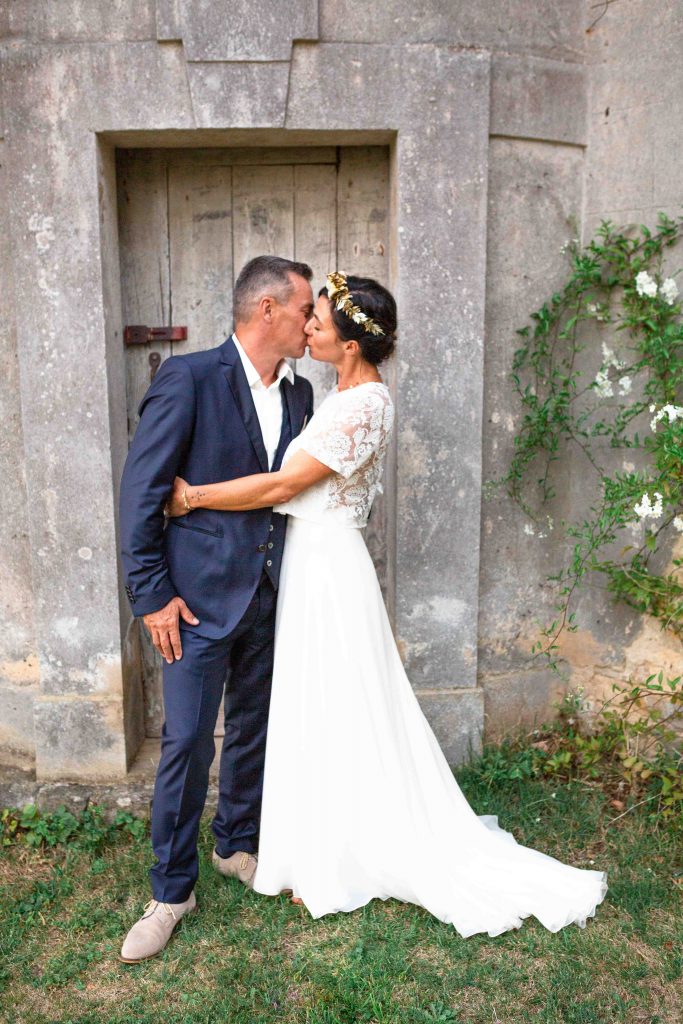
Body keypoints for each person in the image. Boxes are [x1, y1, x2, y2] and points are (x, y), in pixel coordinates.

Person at [163, 271, 609, 940]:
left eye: (317, 322)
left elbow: (284, 485)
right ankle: (315, 840)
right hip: (306, 563)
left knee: (342, 702)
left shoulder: (365, 404)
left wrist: (192, 497)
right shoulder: (332, 392)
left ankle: (348, 849)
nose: (307, 328)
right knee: (316, 701)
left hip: (329, 569)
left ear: (348, 345)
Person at [118, 255, 315, 963]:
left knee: (253, 729)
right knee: (186, 745)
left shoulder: (302, 393)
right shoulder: (189, 378)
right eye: (303, 310)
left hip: (270, 592)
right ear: (267, 309)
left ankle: (235, 843)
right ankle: (171, 892)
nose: (311, 323)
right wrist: (152, 597)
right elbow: (142, 494)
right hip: (194, 603)